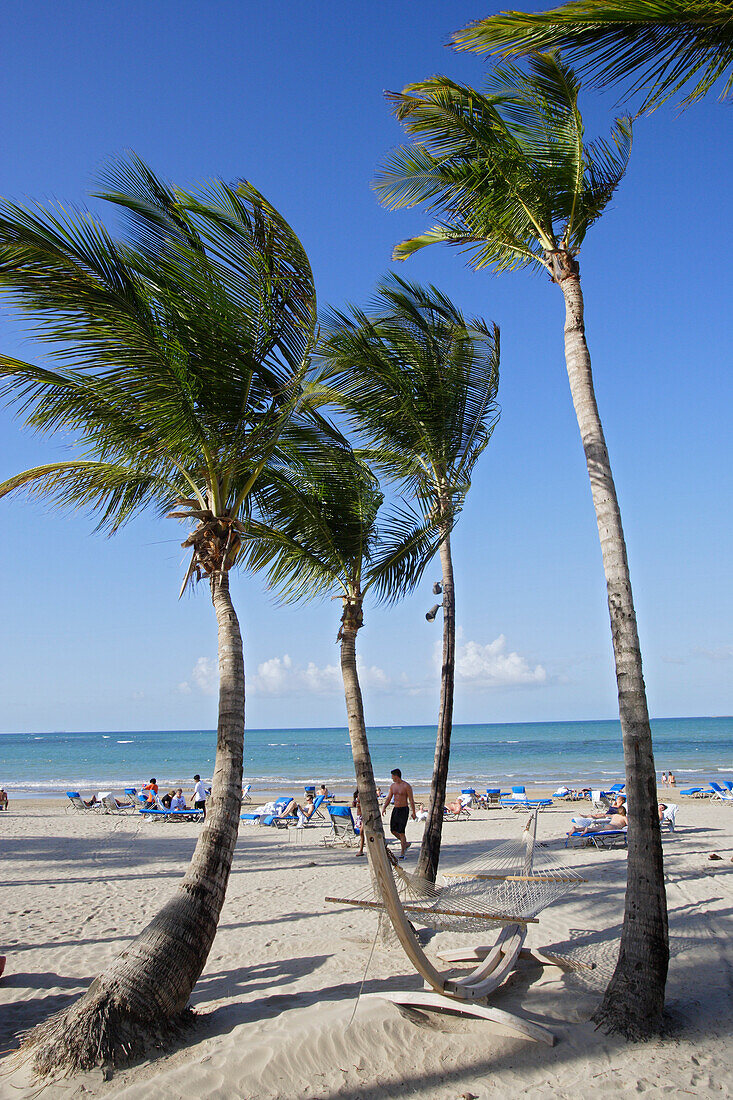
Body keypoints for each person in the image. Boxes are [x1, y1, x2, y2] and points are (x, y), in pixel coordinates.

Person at [381, 768, 416, 859]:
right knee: (393, 830)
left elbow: (411, 800)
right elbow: (389, 798)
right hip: (396, 809)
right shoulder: (393, 786)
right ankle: (405, 843)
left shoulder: (406, 786)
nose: (391, 778)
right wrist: (384, 807)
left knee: (401, 832)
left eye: (392, 776)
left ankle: (402, 853)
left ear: (396, 776)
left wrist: (413, 812)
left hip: (404, 810)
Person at [352, 790, 365, 855]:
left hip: (364, 816)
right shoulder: (357, 795)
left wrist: (358, 804)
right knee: (361, 833)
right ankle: (361, 850)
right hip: (359, 816)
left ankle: (361, 850)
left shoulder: (363, 795)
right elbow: (355, 805)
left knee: (361, 832)